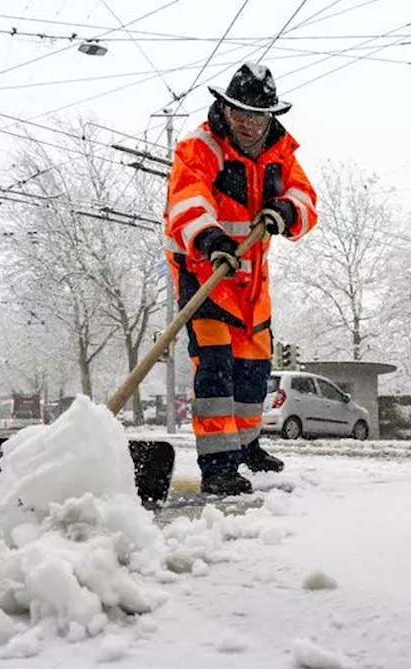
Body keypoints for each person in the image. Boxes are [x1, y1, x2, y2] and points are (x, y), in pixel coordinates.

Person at [163, 63, 318, 495]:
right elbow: (187, 200)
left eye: (258, 115)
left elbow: (305, 197)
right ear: (226, 109)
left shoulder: (280, 151)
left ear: (271, 115)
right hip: (205, 273)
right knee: (215, 372)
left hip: (252, 283)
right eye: (240, 113)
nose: (248, 123)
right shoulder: (201, 147)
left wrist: (285, 211)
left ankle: (248, 446)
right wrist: (211, 240)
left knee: (252, 372)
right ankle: (217, 466)